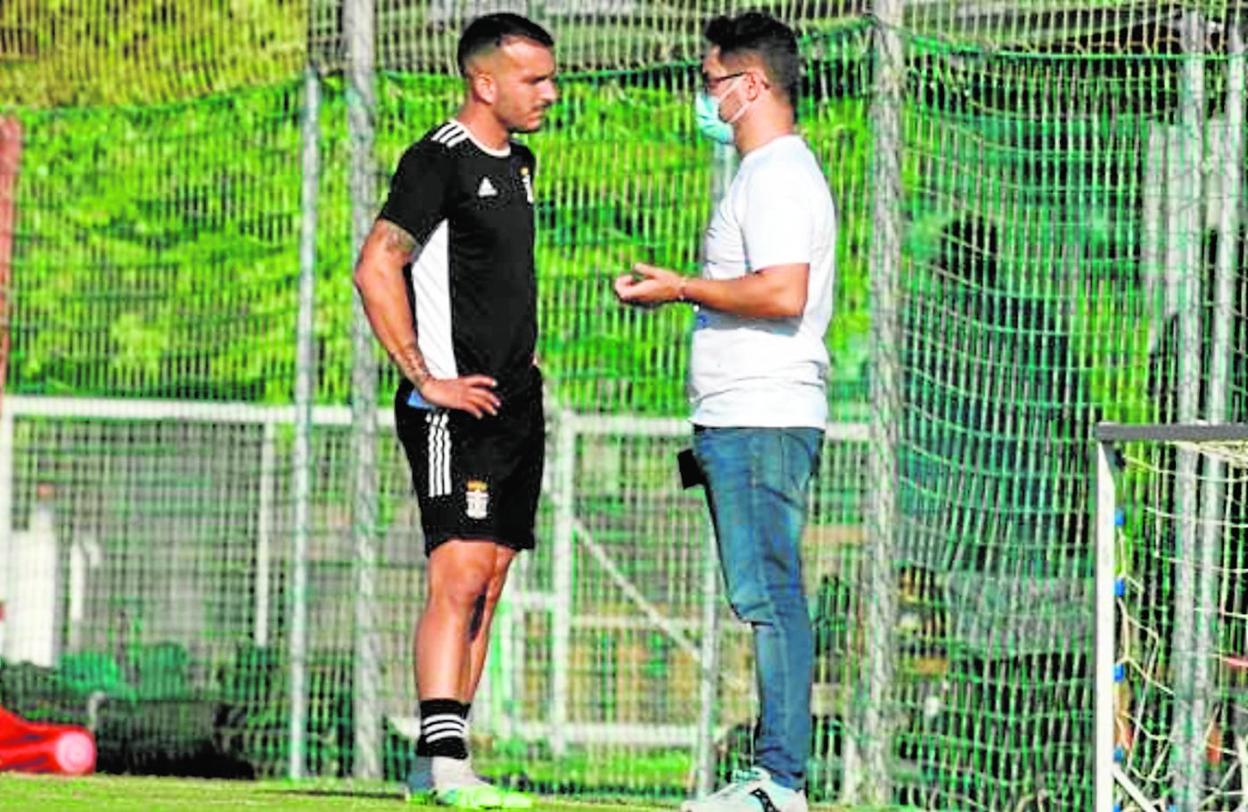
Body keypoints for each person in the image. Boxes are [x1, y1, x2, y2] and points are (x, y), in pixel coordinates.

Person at [614, 11, 835, 812]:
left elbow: (783, 292)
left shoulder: (778, 173)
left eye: (712, 84)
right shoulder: (761, 174)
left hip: (763, 418)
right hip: (740, 418)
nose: (704, 99)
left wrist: (681, 288)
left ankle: (780, 785)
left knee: (770, 594)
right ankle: (771, 777)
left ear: (750, 86)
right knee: (761, 594)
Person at [352, 12, 557, 809]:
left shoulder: (523, 164)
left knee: (494, 576)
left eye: (549, 76)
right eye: (534, 79)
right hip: (453, 407)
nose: (549, 92)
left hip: (515, 403)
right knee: (460, 570)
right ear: (485, 81)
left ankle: (438, 760)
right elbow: (377, 266)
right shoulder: (436, 160)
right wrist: (424, 376)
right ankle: (446, 769)